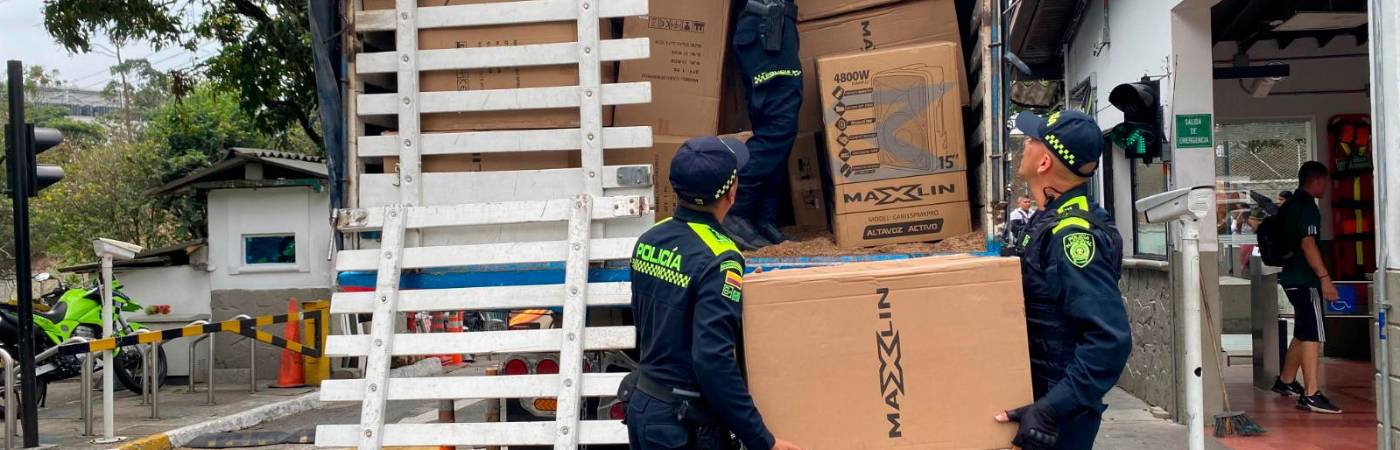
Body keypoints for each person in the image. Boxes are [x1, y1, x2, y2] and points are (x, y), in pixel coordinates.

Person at [626, 136, 802, 450]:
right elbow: (712, 361)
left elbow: (656, 320)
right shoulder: (721, 259)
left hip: (645, 407)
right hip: (683, 425)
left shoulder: (651, 239)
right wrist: (763, 440)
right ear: (731, 193)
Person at [994, 111, 1132, 450]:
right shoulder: (1048, 219)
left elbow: (1109, 341)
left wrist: (1049, 412)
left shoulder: (1072, 237)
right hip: (1039, 404)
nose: (1024, 144)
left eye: (1031, 139)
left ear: (1043, 162)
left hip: (1056, 422)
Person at [722, 0, 803, 250]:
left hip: (769, 31)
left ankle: (761, 217)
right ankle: (736, 209)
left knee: (776, 126)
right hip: (766, 28)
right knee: (778, 126)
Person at [1269, 161, 1343, 414]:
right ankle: (1311, 393)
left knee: (1302, 331)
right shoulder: (1308, 208)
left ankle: (1286, 381)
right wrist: (1324, 277)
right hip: (1305, 280)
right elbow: (1308, 244)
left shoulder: (1289, 205)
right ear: (1318, 180)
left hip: (1290, 278)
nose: (1327, 186)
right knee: (1313, 334)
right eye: (1325, 181)